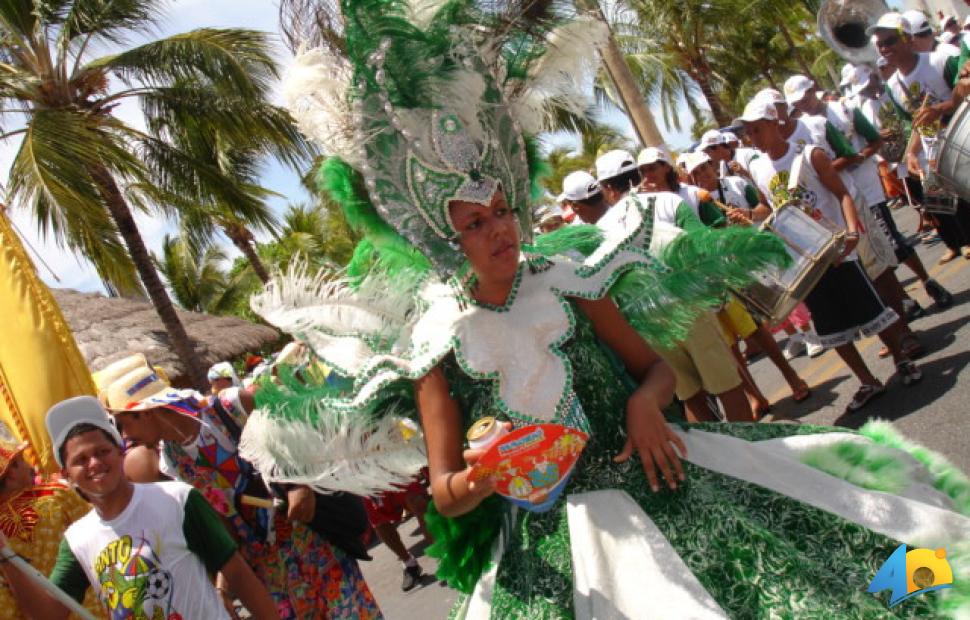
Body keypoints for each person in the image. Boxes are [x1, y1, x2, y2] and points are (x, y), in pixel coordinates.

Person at [242, 5, 970, 618]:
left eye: (501, 211)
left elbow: (652, 371)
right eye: (474, 224)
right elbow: (445, 494)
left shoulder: (569, 278)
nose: (499, 230)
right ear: (442, 237)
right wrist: (489, 474)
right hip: (562, 548)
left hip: (665, 473)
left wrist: (648, 406)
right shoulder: (437, 343)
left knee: (832, 573)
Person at [101, 361, 381, 619]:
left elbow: (297, 420)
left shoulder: (229, 407)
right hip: (268, 570)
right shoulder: (173, 462)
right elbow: (222, 525)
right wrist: (224, 586)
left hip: (312, 539)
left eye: (123, 423)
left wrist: (300, 483)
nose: (124, 436)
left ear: (145, 413)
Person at [0, 396, 277, 620]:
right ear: (68, 474)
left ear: (120, 451)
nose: (94, 463)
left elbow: (238, 574)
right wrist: (6, 557)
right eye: (81, 460)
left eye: (101, 451)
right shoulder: (76, 541)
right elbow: (48, 615)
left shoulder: (178, 500)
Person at [740, 97, 923, 411]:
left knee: (872, 313)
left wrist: (851, 232)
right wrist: (748, 214)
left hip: (836, 249)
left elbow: (842, 194)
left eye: (757, 130)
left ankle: (901, 360)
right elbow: (769, 208)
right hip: (806, 261)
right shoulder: (757, 168)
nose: (753, 138)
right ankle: (867, 380)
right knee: (830, 328)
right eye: (749, 133)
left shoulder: (810, 155)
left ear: (774, 124)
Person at [596, 149, 755, 423]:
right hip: (689, 307)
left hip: (651, 323)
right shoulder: (668, 201)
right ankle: (756, 455)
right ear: (637, 176)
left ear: (608, 188)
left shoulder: (600, 231)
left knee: (690, 397)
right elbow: (701, 246)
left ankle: (722, 461)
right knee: (728, 388)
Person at [847, 64, 954, 310]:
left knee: (895, 239)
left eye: (868, 85)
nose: (867, 92)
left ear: (875, 77)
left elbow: (883, 135)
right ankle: (904, 301)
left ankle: (929, 280)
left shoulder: (892, 92)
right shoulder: (863, 106)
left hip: (910, 161)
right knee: (877, 253)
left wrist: (864, 152)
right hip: (897, 166)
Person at [872, 11, 970, 264]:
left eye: (889, 41)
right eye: (880, 44)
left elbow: (965, 93)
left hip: (964, 139)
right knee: (947, 207)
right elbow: (914, 122)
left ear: (906, 38)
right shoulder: (893, 85)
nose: (884, 48)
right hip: (937, 155)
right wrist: (912, 153)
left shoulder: (940, 60)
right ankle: (959, 242)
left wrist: (939, 109)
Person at [0, 439, 105, 619]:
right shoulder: (56, 494)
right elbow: (102, 534)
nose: (30, 466)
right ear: (12, 473)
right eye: (22, 461)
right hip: (95, 609)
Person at [363, 475, 432, 591]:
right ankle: (410, 564)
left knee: (418, 502)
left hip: (389, 464)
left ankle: (445, 552)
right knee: (378, 520)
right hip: (360, 475)